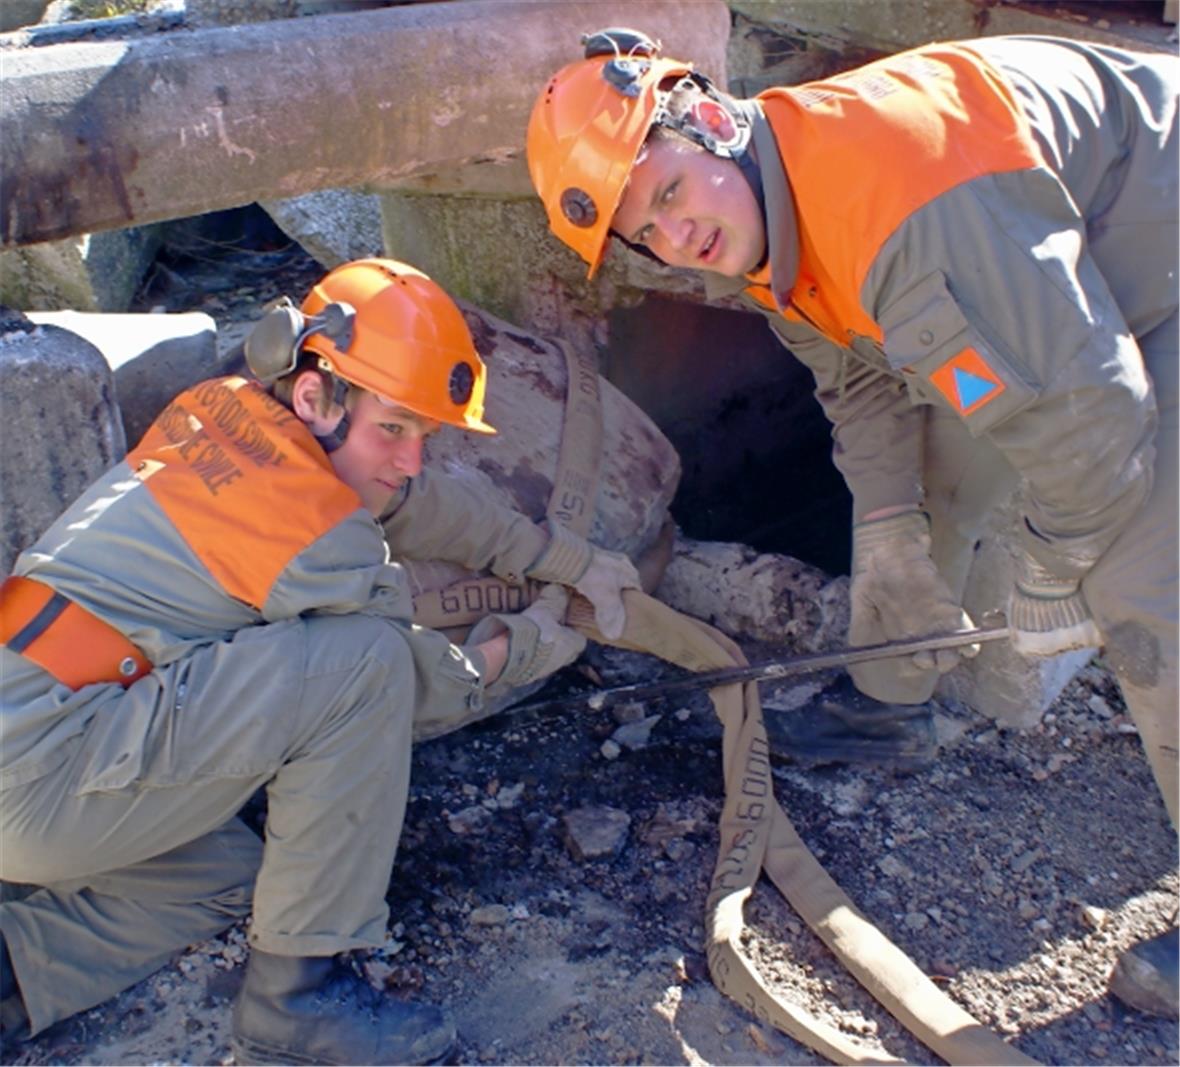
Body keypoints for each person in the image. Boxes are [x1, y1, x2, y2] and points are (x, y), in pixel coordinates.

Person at [527, 29, 1178, 1017]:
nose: (673, 239)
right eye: (642, 234)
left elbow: (1092, 420)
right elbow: (858, 376)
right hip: (1078, 270)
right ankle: (892, 698)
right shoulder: (763, 204)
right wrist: (885, 531)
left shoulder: (896, 205)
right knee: (939, 471)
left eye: (666, 193)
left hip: (1158, 258)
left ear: (706, 119)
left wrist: (1050, 578)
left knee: (1141, 584)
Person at [0, 257, 640, 1064]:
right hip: (37, 779)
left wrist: (559, 556)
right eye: (395, 428)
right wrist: (540, 643)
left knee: (230, 877)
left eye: (425, 435)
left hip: (29, 733)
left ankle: (13, 965)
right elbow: (412, 687)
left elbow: (410, 504)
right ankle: (296, 1001)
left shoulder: (220, 412)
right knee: (364, 662)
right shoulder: (315, 538)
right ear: (316, 396)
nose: (411, 458)